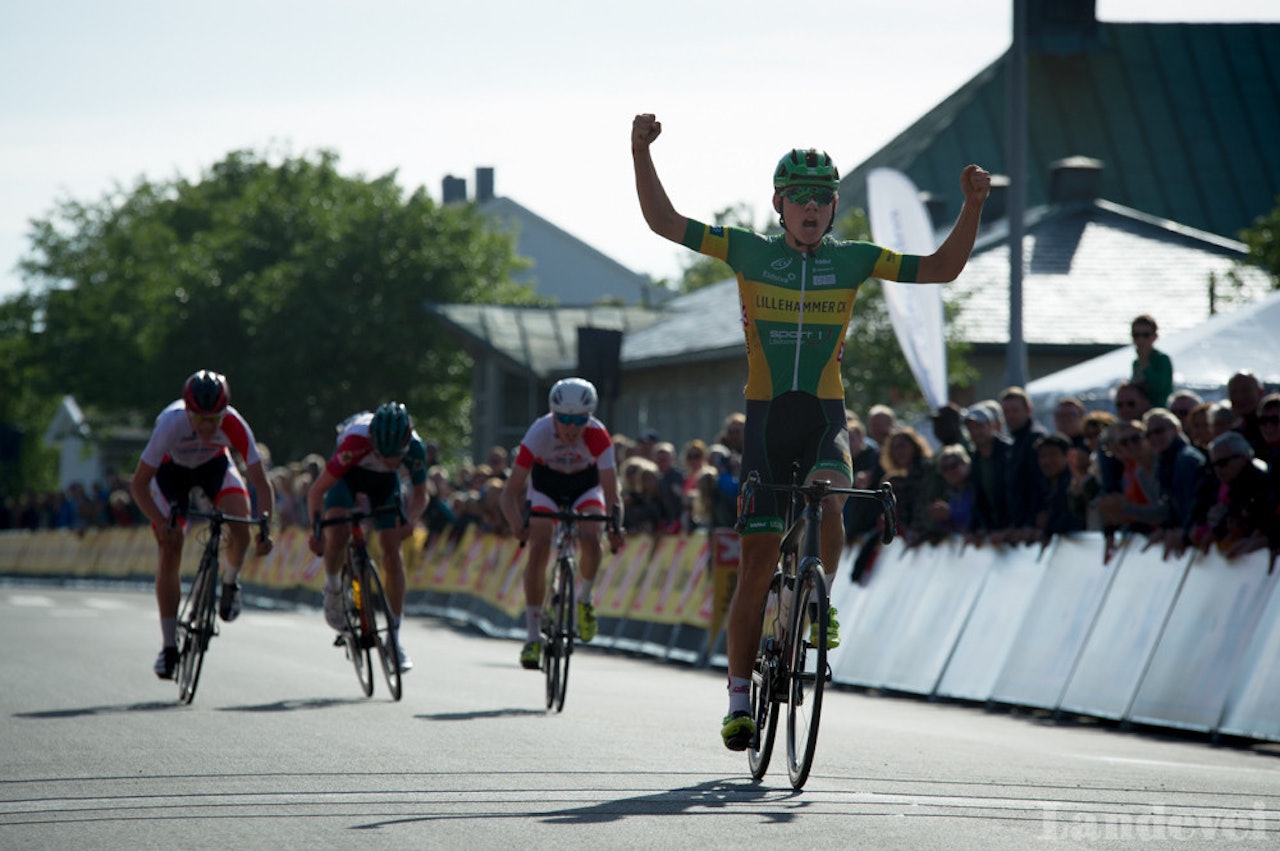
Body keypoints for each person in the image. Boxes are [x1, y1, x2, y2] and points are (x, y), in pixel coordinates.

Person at [632, 112, 990, 750]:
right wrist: (640, 151)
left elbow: (940, 270)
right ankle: (739, 701)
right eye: (800, 197)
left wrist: (973, 206)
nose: (812, 208)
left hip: (824, 416)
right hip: (768, 422)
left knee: (830, 492)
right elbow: (663, 222)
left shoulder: (853, 259)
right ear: (778, 203)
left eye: (823, 198)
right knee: (755, 567)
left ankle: (818, 605)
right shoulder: (746, 248)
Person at [130, 370, 275, 679]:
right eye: (200, 420)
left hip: (213, 466)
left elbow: (262, 484)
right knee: (170, 547)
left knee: (240, 524)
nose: (208, 426)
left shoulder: (235, 424)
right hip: (171, 474)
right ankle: (169, 647)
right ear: (188, 412)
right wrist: (160, 521)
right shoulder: (170, 424)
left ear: (224, 412)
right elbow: (139, 485)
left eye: (215, 419)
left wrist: (265, 529)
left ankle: (230, 582)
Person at [499, 378, 625, 670]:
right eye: (564, 419)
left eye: (578, 420)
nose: (570, 427)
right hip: (547, 485)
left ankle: (584, 599)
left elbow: (611, 493)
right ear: (553, 416)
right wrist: (517, 524)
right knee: (539, 544)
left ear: (588, 418)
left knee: (592, 536)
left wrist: (616, 528)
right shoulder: (539, 433)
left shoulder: (598, 436)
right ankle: (532, 638)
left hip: (584, 485)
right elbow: (509, 493)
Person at [307, 402, 428, 672]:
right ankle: (333, 588)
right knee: (336, 532)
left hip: (384, 485)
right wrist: (316, 530)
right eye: (382, 453)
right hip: (348, 477)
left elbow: (421, 495)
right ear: (373, 440)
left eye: (393, 456)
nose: (387, 460)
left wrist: (410, 519)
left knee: (391, 552)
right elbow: (316, 492)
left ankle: (394, 639)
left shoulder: (415, 448)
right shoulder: (356, 440)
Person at [1129, 314, 1173, 409]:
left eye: (1146, 335)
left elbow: (1160, 389)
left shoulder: (1162, 359)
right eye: (1136, 335)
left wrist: (1145, 363)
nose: (1140, 339)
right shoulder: (1136, 363)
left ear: (1155, 336)